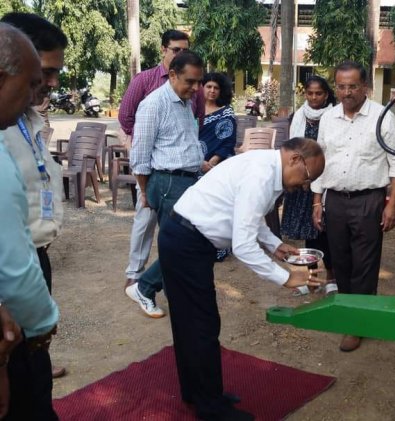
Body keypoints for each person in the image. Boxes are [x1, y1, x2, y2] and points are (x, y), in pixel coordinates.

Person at [160, 137, 325, 420]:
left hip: (184, 238)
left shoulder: (268, 169)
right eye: (307, 177)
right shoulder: (262, 176)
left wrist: (274, 244)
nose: (304, 186)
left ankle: (199, 393)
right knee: (201, 324)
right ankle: (211, 408)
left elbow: (250, 216)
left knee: (193, 323)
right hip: (185, 241)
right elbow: (244, 246)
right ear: (295, 159)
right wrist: (287, 277)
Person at [310, 61, 395, 352]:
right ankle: (351, 309)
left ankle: (357, 323)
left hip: (369, 201)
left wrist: (393, 204)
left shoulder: (382, 117)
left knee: (364, 263)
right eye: (341, 86)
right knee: (340, 261)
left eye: (353, 86)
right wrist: (317, 200)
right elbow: (319, 159)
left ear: (365, 87)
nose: (347, 92)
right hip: (336, 200)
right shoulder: (328, 118)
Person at [0, 11, 68, 380]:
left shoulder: (27, 116)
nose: (49, 83)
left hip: (35, 260)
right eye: (42, 72)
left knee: (32, 373)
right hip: (10, 276)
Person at [119, 29, 205, 294]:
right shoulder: (146, 86)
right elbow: (127, 120)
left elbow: (194, 124)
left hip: (181, 176)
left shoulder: (189, 95)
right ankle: (138, 280)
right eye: (176, 49)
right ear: (164, 50)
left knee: (177, 239)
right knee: (147, 225)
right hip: (156, 174)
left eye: (184, 49)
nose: (196, 88)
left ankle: (164, 286)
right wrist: (145, 186)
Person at [282, 75, 338, 296]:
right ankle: (312, 278)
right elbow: (291, 149)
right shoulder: (298, 116)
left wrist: (318, 181)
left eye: (319, 93)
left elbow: (332, 153)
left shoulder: (334, 116)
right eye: (310, 93)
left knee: (325, 232)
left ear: (326, 95)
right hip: (301, 185)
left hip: (325, 182)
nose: (314, 97)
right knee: (308, 234)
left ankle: (332, 277)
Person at [199, 72, 237, 262]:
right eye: (208, 87)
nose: (212, 91)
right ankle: (198, 247)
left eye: (216, 88)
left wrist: (211, 164)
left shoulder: (226, 113)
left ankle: (218, 249)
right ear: (201, 88)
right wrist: (199, 163)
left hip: (218, 168)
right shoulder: (191, 110)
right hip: (193, 166)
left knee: (217, 208)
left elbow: (228, 142)